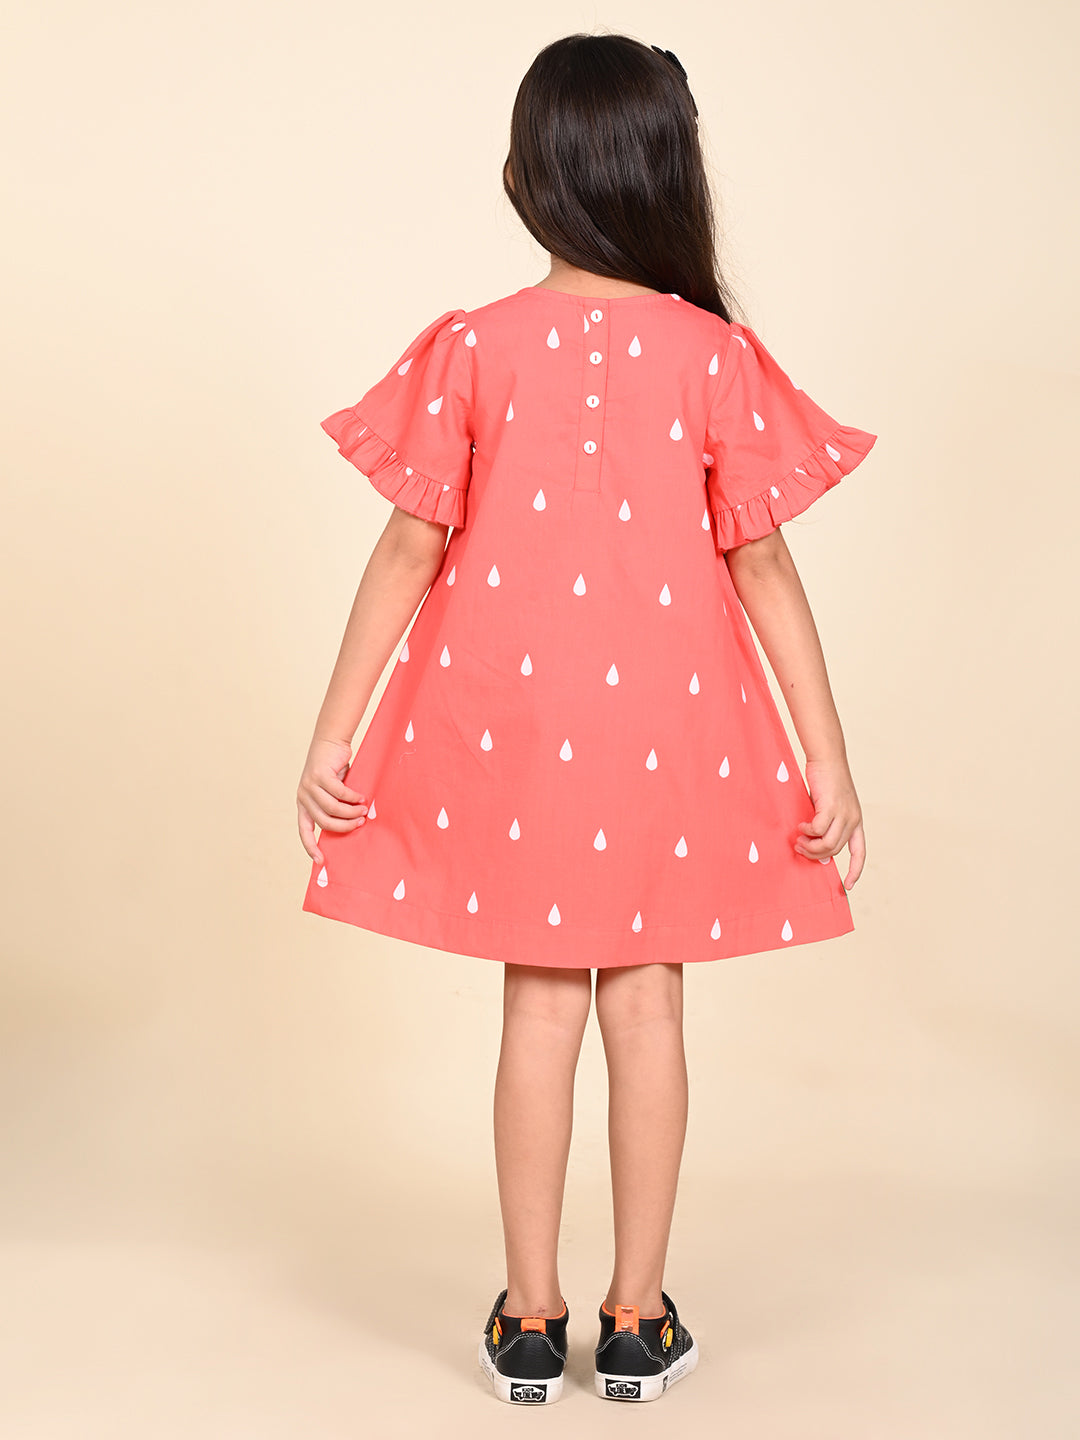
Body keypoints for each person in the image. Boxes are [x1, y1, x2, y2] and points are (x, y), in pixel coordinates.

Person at [296, 32, 877, 1407]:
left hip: (516, 734)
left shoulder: (474, 347)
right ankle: (634, 1320)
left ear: (527, 175)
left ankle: (526, 1319)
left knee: (540, 1010)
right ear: (668, 175)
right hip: (668, 739)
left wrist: (333, 729)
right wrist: (827, 755)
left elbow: (409, 546)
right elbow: (761, 562)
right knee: (650, 1009)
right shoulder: (713, 355)